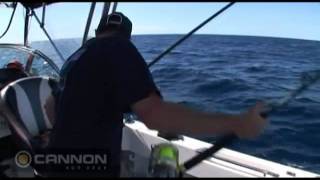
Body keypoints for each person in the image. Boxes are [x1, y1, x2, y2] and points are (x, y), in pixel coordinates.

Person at [48, 12, 267, 177]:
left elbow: (51, 105)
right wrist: (238, 123)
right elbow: (153, 115)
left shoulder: (75, 57)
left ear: (98, 32)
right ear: (128, 36)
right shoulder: (120, 48)